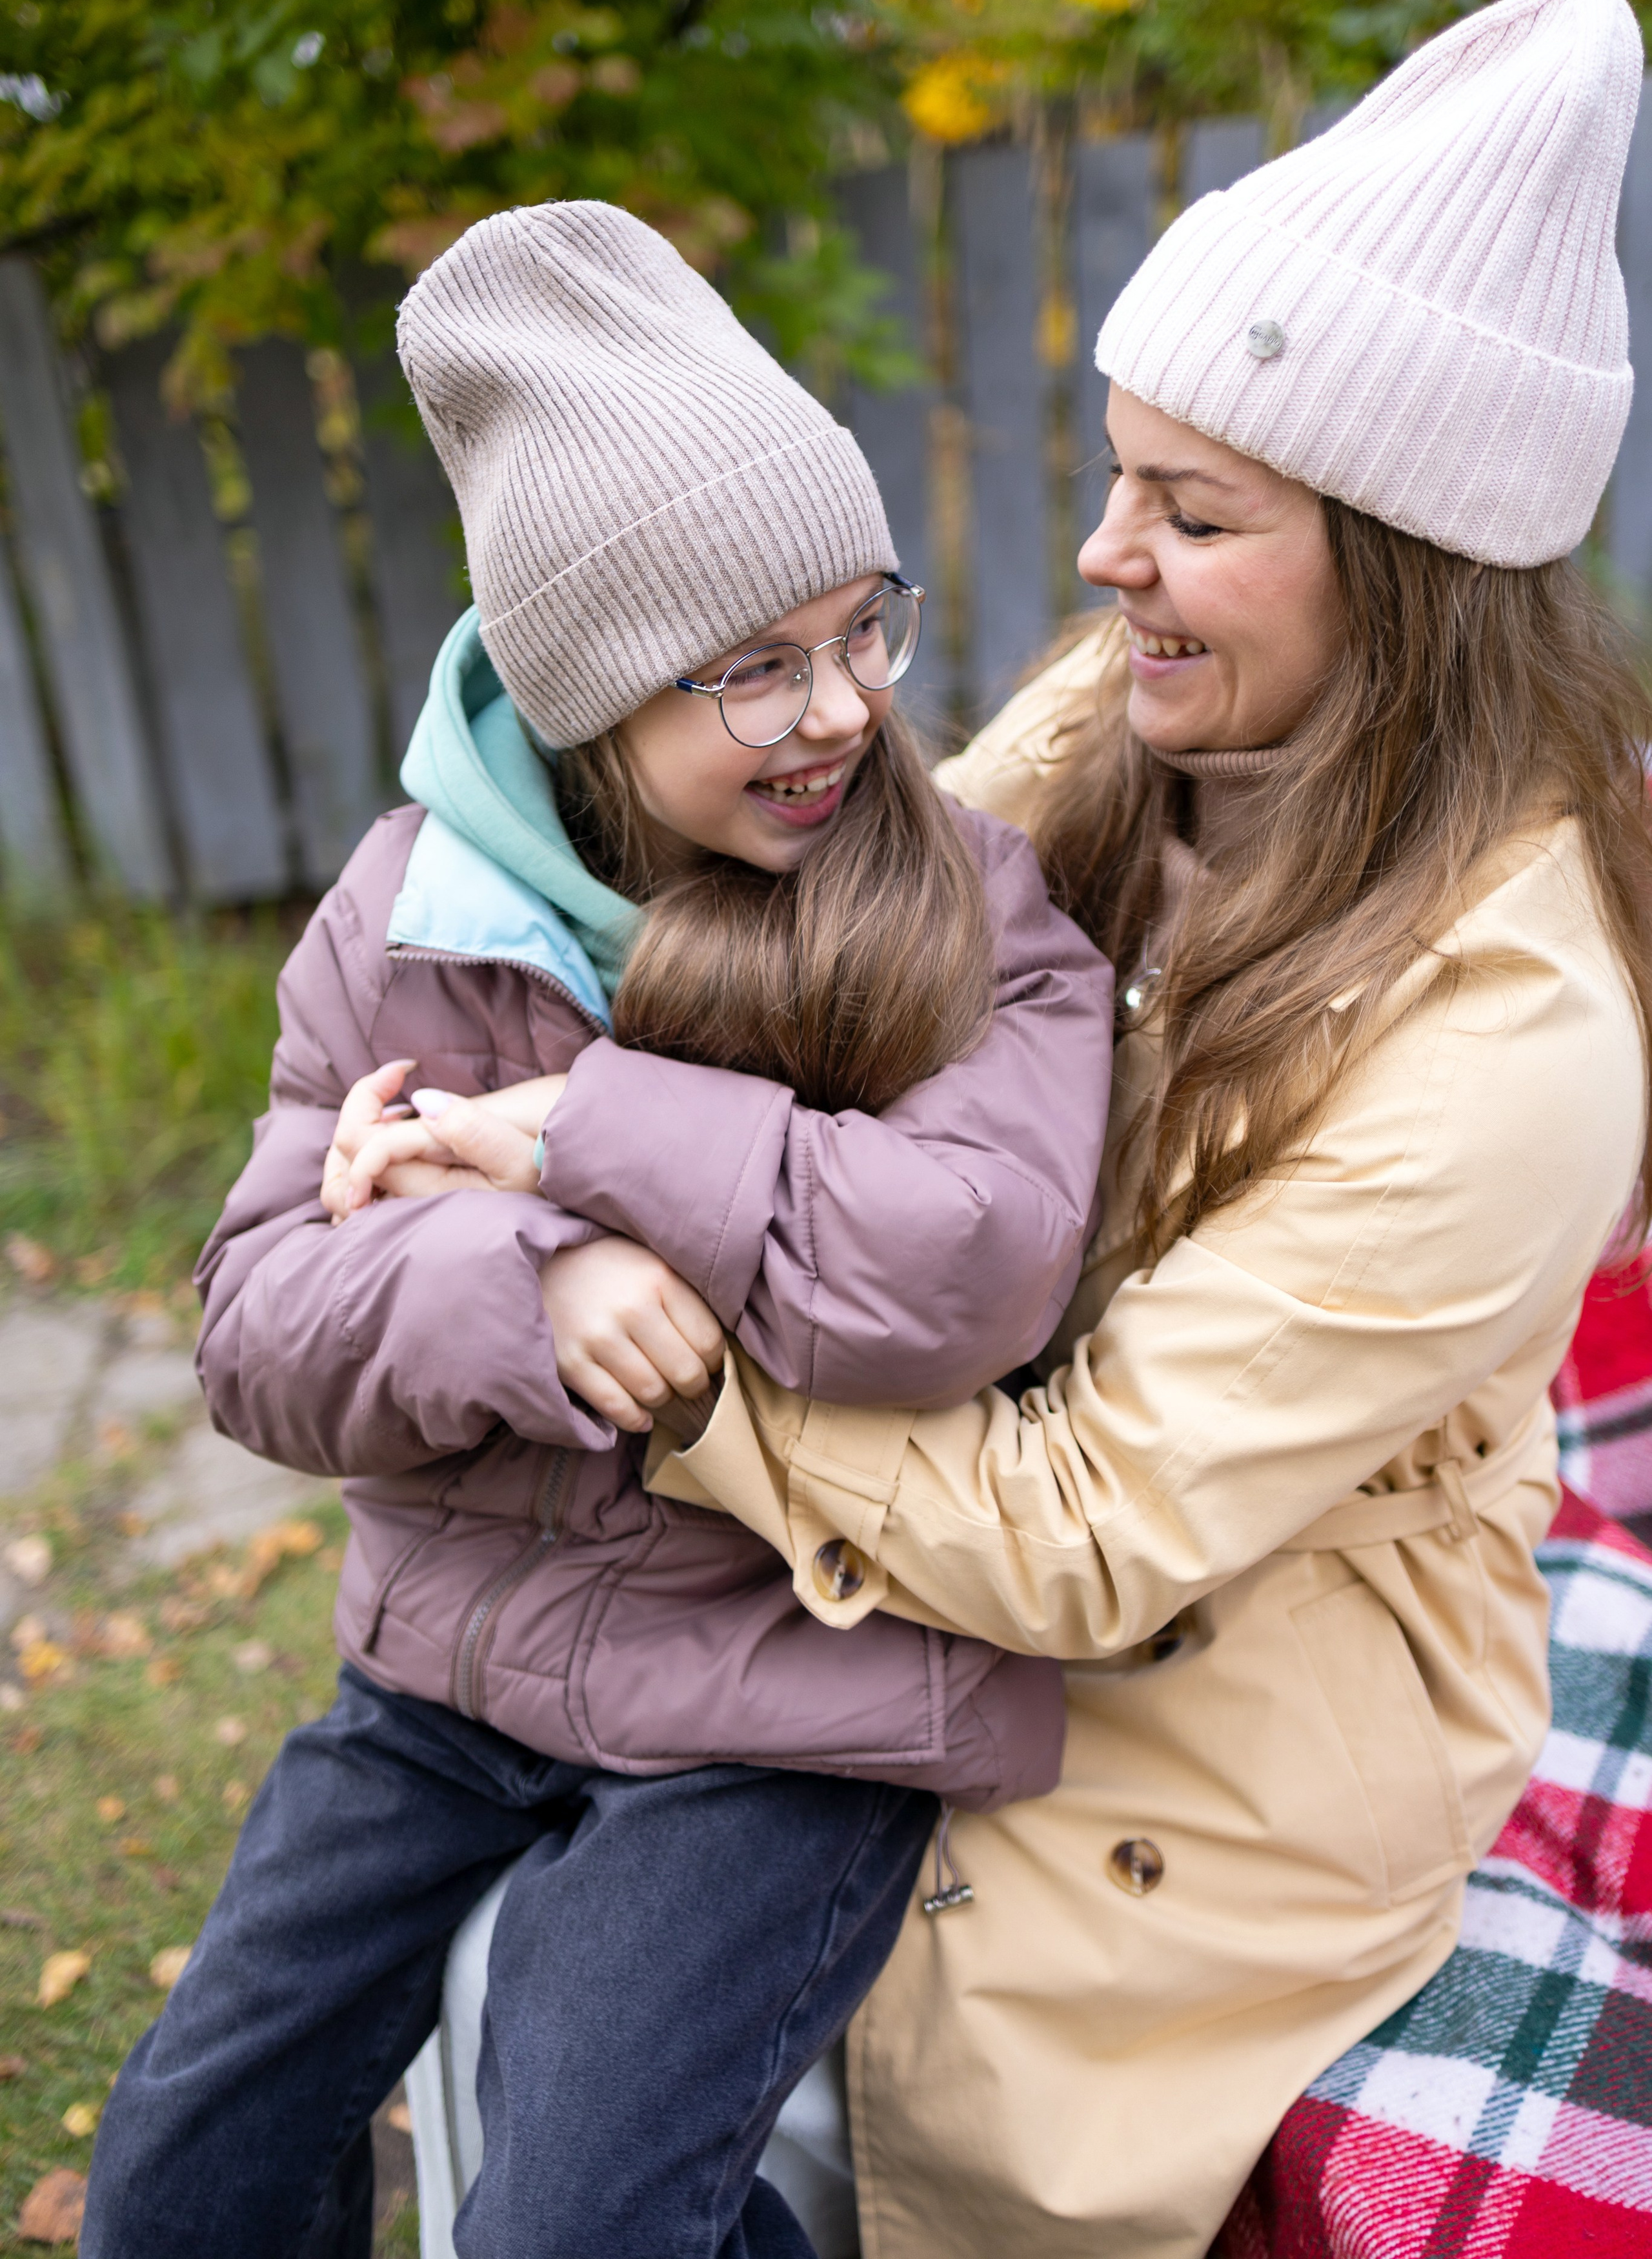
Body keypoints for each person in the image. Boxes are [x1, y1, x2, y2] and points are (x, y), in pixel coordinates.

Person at [550, 0, 1652, 2254]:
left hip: (1214, 1704)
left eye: (1191, 508)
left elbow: (1085, 1527)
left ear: (1414, 575)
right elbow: (843, 1001)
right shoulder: (1145, 716)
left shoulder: (1519, 1034)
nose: (1099, 558)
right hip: (920, 1511)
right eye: (1117, 476)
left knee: (881, 2114)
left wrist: (650, 1351)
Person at [79, 201, 1114, 2259]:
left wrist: (580, 1140)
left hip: (779, 1702)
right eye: (755, 668)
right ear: (582, 693)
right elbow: (253, 1327)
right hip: (442, 1686)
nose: (841, 709)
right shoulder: (409, 914)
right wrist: (526, 1284)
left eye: (862, 628)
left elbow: (971, 1269)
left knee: (570, 2220)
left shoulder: (961, 906)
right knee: (179, 2180)